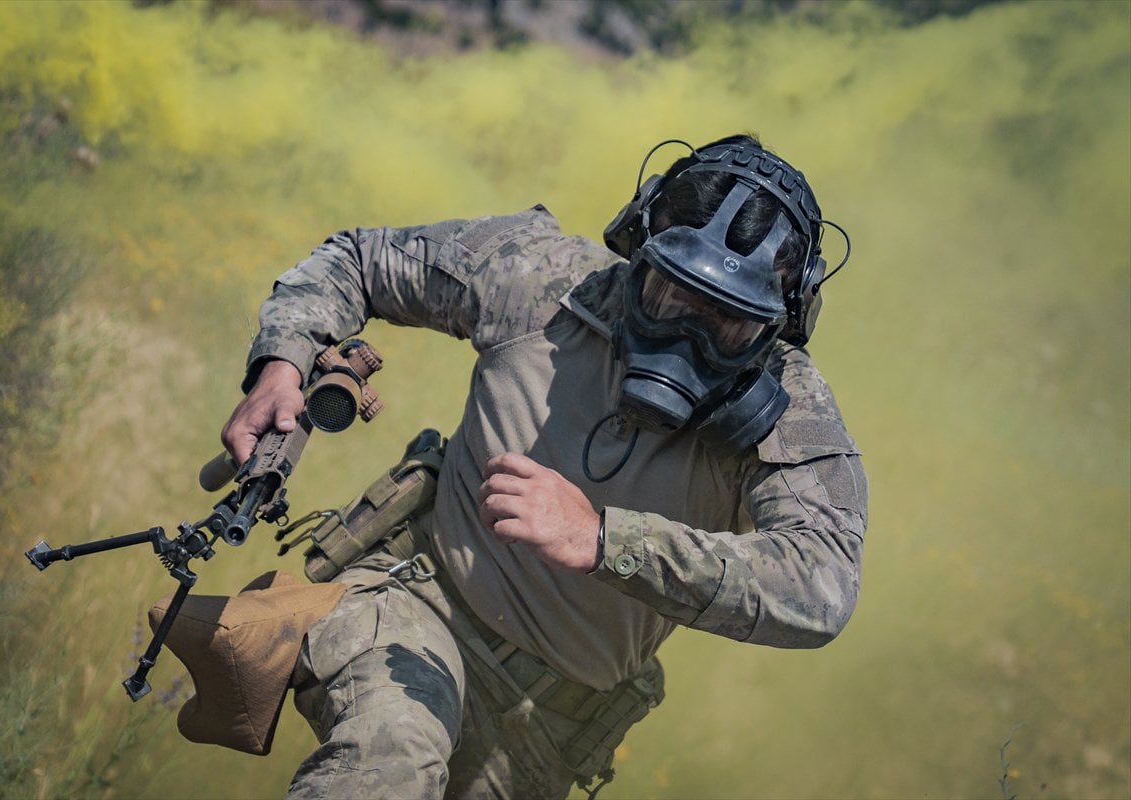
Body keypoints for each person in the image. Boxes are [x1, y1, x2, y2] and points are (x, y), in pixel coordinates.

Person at [221, 133, 868, 799]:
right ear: (639, 244)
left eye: (727, 324)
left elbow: (821, 587)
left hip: (545, 732)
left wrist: (602, 538)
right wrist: (283, 362)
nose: (685, 339)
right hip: (417, 605)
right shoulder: (541, 278)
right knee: (388, 762)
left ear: (784, 315)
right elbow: (358, 260)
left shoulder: (790, 407)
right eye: (669, 298)